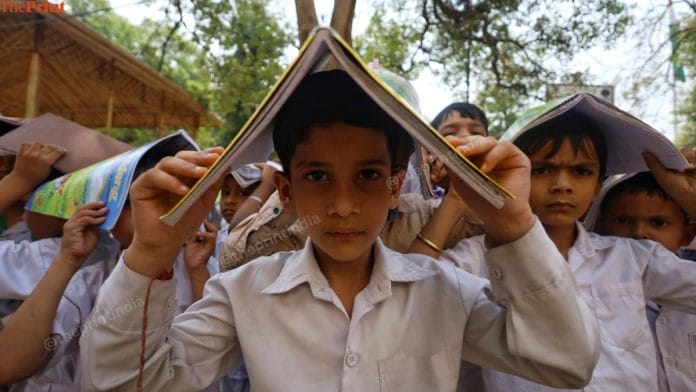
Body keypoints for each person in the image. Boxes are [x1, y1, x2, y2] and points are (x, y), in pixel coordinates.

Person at [78, 70, 599, 391]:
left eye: (369, 176)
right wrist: (151, 251)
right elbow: (124, 384)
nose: (344, 205)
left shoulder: (445, 291)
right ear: (286, 192)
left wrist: (513, 223)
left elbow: (566, 363)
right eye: (318, 176)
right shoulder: (243, 291)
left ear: (397, 188)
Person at [439, 114, 696, 391]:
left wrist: (689, 199)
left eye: (582, 171)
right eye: (541, 170)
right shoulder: (474, 258)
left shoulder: (633, 258)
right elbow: (411, 295)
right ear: (513, 174)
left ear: (598, 185)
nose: (562, 184)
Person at [585, 155, 696, 392]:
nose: (639, 234)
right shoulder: (589, 292)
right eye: (623, 220)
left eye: (658, 223)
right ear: (600, 226)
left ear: (687, 235)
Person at [408, 102, 488, 258]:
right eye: (449, 133)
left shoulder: (500, 199)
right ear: (429, 152)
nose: (466, 136)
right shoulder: (412, 203)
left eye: (476, 132)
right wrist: (455, 196)